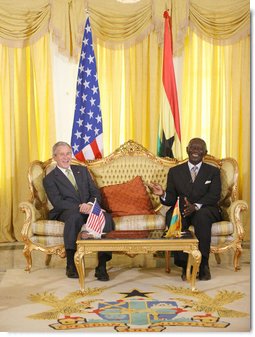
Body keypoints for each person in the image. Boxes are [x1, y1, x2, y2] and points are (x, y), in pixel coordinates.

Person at [149, 138, 222, 281]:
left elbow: (214, 195)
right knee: (173, 217)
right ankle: (184, 265)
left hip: (206, 209)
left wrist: (195, 206)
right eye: (193, 148)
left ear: (205, 153)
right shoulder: (175, 171)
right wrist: (162, 194)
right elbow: (170, 199)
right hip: (182, 209)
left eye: (199, 148)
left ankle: (203, 264)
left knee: (202, 217)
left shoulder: (213, 171)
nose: (195, 151)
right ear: (187, 150)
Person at [43, 141, 114, 281]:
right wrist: (80, 207)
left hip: (89, 208)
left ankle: (102, 266)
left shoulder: (82, 171)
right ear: (54, 157)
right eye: (61, 154)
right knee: (74, 218)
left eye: (68, 153)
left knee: (105, 217)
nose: (65, 157)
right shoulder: (49, 179)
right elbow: (57, 202)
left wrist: (89, 204)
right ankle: (71, 264)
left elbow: (95, 193)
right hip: (67, 211)